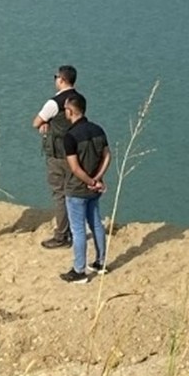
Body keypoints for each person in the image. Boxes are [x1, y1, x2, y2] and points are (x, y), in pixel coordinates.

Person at [58, 92, 111, 284]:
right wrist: (97, 178)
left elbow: (74, 167)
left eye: (65, 110)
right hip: (93, 188)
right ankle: (101, 262)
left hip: (76, 189)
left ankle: (79, 270)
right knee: (96, 222)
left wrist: (89, 180)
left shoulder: (70, 136)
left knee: (78, 229)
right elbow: (107, 156)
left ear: (71, 111)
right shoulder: (98, 130)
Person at [32, 65, 81, 249]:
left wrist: (45, 124)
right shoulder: (80, 99)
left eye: (55, 77)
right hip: (76, 152)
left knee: (59, 194)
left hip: (58, 154)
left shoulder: (54, 103)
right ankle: (75, 230)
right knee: (74, 192)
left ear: (61, 79)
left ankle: (61, 235)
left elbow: (36, 121)